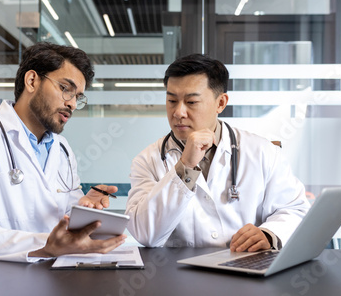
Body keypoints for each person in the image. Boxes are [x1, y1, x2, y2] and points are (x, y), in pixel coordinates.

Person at [0, 42, 126, 262]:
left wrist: (83, 207)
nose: (73, 104)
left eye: (78, 96)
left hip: (56, 272)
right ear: (32, 81)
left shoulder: (62, 148)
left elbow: (63, 217)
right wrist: (44, 246)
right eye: (65, 89)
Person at [125, 54, 310, 252]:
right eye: (171, 100)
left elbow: (295, 209)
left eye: (192, 102)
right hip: (178, 275)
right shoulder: (148, 160)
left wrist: (269, 234)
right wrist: (185, 166)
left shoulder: (262, 152)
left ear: (220, 103)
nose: (178, 112)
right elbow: (146, 234)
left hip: (244, 270)